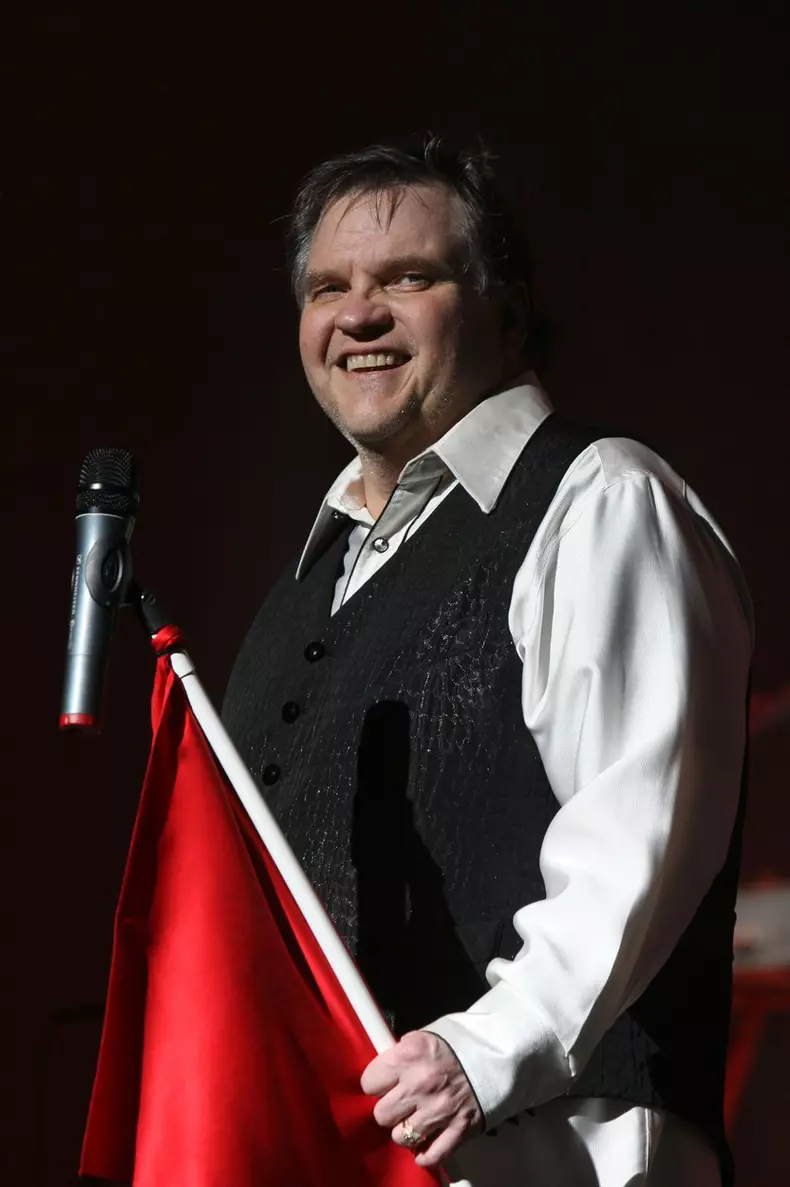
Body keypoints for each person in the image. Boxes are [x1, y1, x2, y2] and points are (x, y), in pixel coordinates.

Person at [222, 139, 753, 1187]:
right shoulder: (311, 574)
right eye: (328, 287)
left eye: (407, 278)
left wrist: (481, 1049)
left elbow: (636, 837)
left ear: (505, 312)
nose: (358, 314)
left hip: (561, 1155)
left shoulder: (598, 498)